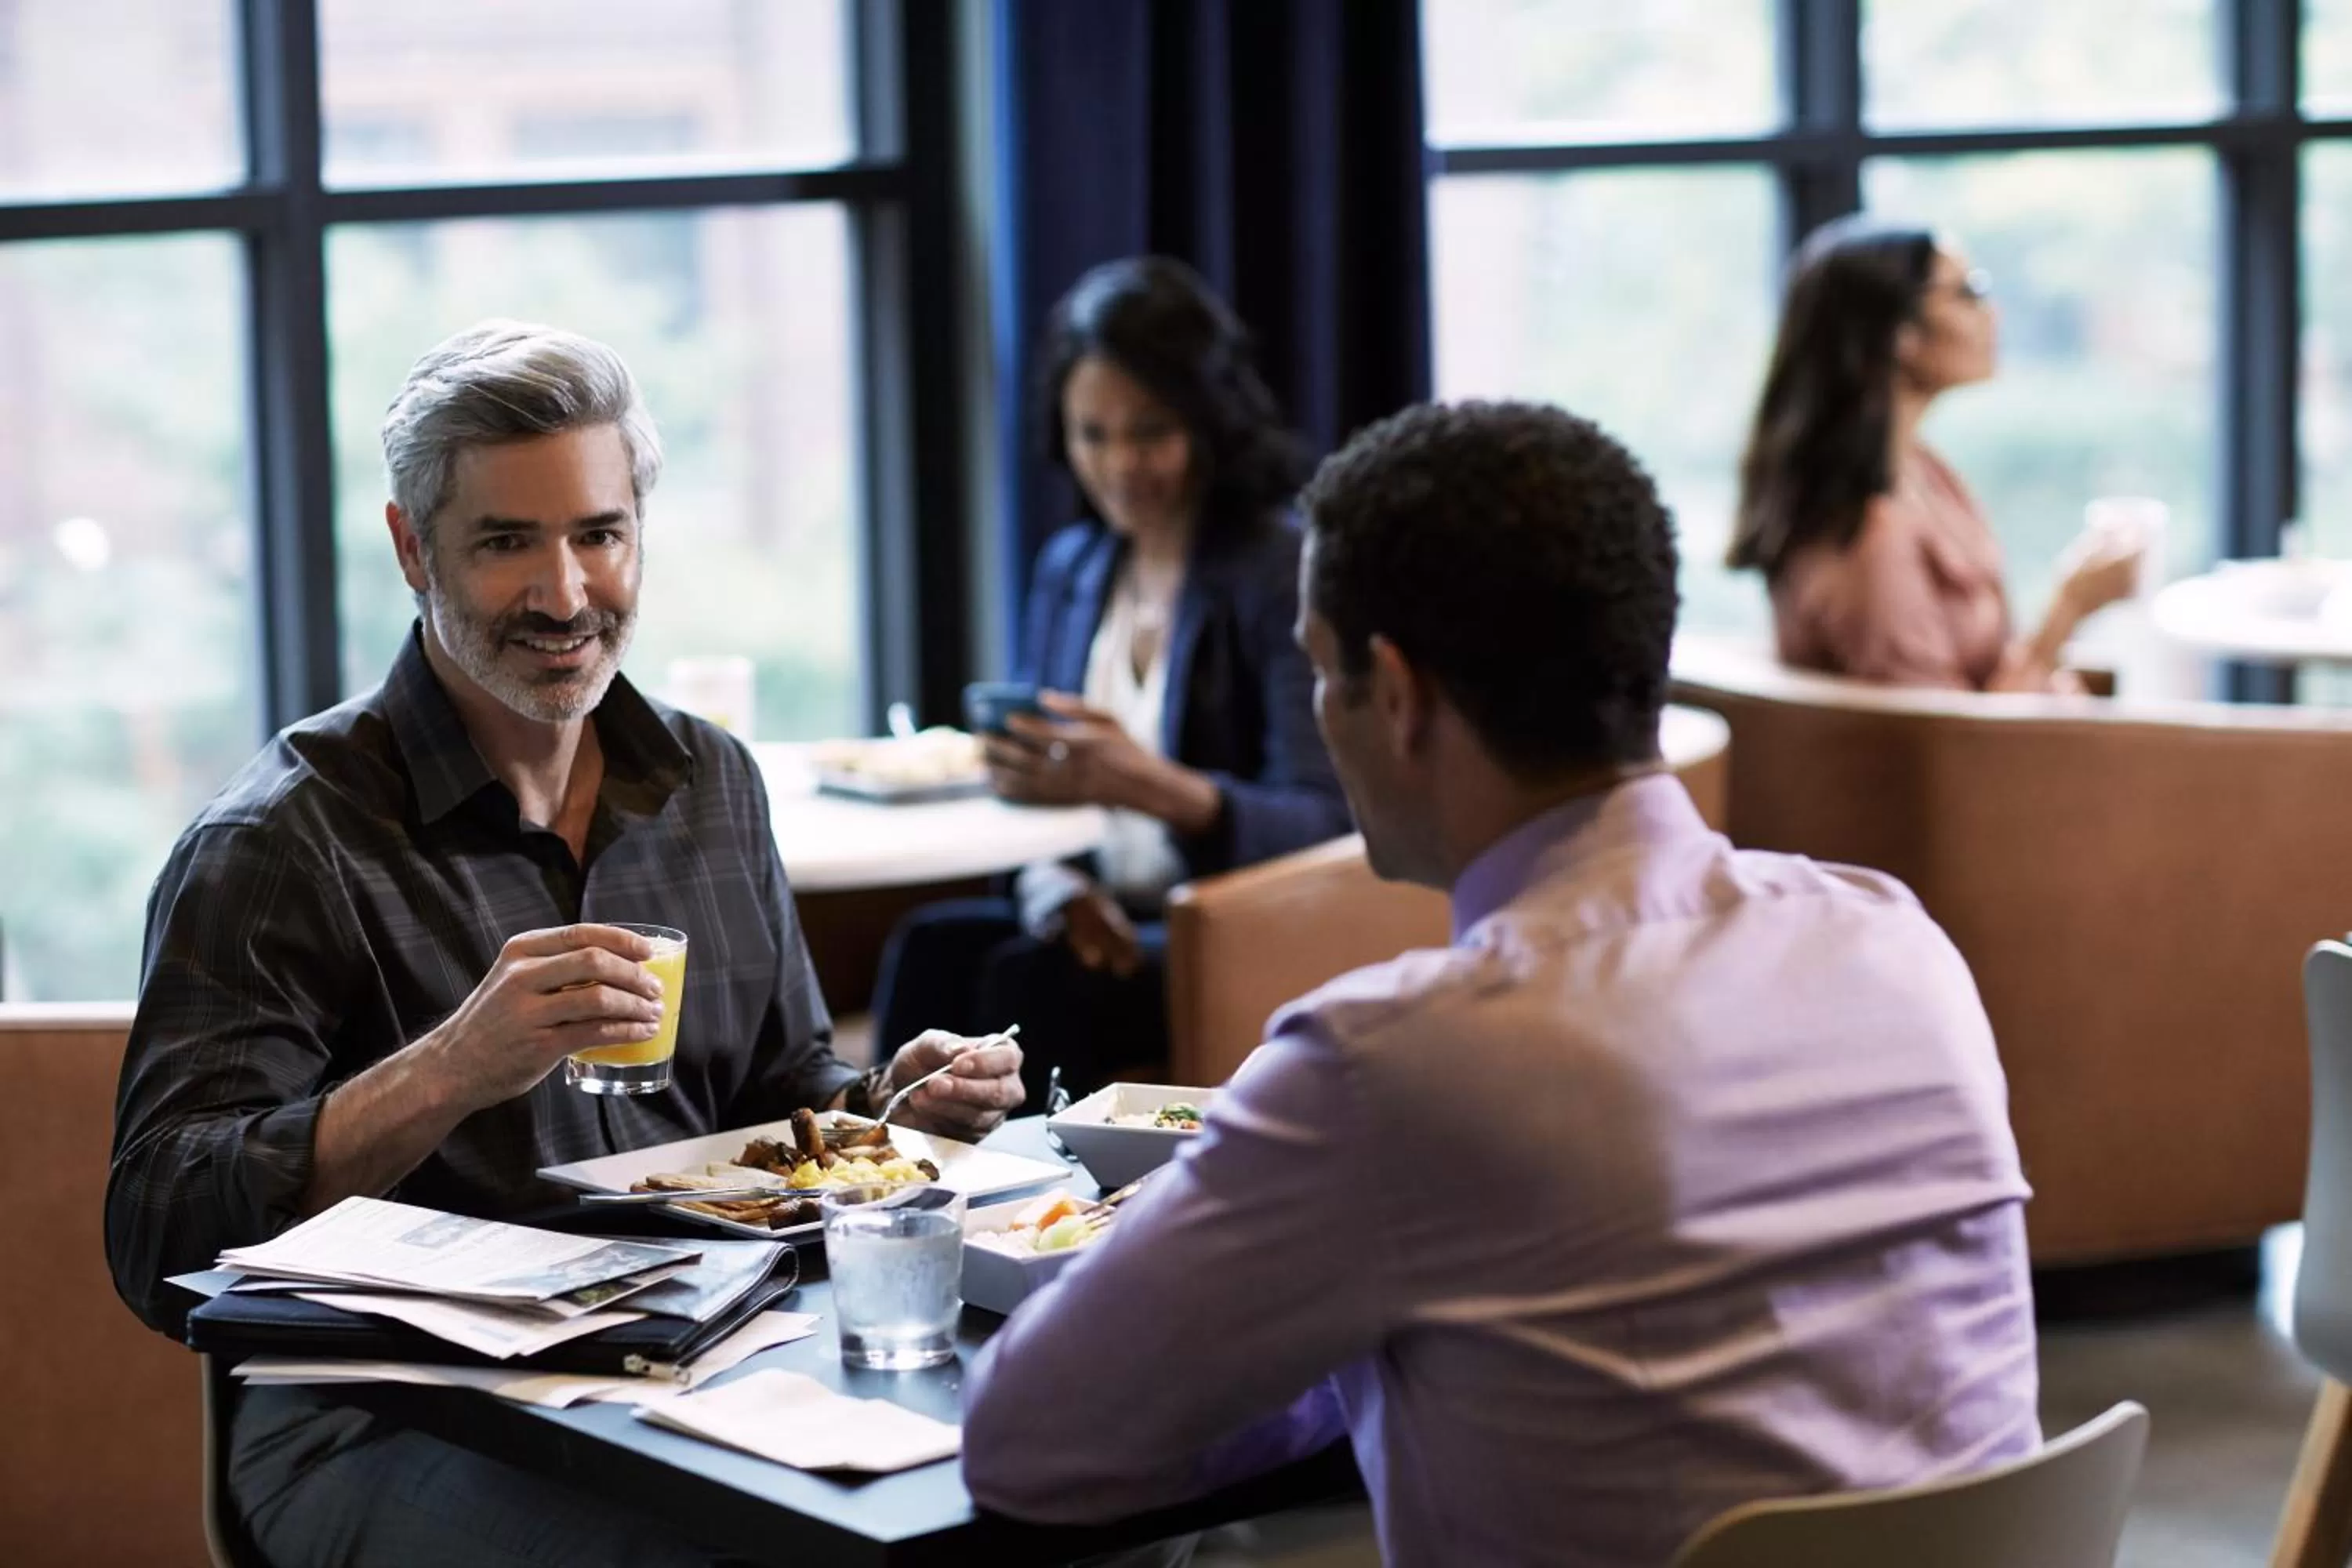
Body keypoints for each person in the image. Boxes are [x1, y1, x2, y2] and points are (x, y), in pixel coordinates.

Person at [963, 401, 2042, 1567]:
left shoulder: (1390, 1072)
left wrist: (1321, 1321)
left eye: (1324, 675)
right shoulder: (1895, 943)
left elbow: (1029, 1441)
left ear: (1400, 693)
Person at [104, 321, 1025, 1568]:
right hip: (383, 1419)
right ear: (409, 549)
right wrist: (450, 1069)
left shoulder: (710, 781)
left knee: (1055, 1493)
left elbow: (778, 1102)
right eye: (505, 544)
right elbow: (159, 1238)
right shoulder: (282, 842)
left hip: (712, 1377)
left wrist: (889, 1109)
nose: (566, 594)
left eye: (599, 535)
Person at [872, 256, 1349, 1105]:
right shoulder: (1074, 567)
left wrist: (1151, 786)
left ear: (1208, 423)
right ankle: (874, 1187)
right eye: (1093, 434)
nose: (1121, 463)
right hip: (1098, 905)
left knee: (1027, 982)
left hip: (1221, 924)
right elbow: (1027, 794)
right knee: (931, 944)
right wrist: (1059, 888)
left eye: (1151, 431)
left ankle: (1041, 1217)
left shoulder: (1279, 569)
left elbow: (1321, 820)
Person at [1727, 216, 2143, 692]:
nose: (1994, 313)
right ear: (1898, 335)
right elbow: (1955, 752)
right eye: (1968, 292)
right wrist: (2069, 608)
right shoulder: (1867, 536)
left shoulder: (1922, 471)